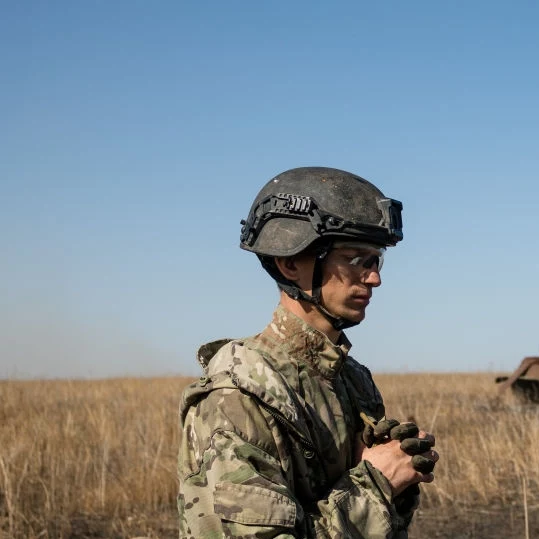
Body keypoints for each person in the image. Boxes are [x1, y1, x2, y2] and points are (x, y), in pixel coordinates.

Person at [177, 167, 438, 538]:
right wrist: (376, 484)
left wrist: (397, 483)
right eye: (353, 259)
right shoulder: (238, 395)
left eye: (375, 260)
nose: (374, 278)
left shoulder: (352, 379)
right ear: (290, 262)